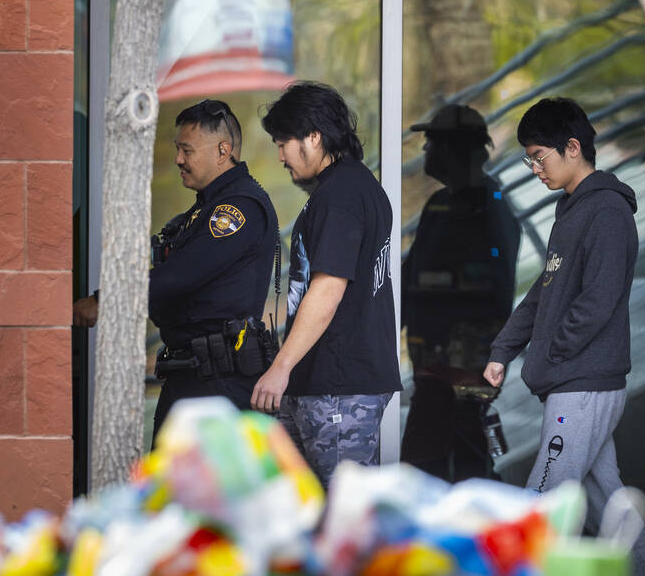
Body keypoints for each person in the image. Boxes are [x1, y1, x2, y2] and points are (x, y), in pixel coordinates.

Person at [482, 97, 645, 576]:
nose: (535, 170)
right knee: (604, 499)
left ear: (573, 148)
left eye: (540, 158)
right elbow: (545, 295)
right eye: (528, 161)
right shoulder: (573, 209)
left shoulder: (607, 212)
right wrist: (503, 350)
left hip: (583, 386)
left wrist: (546, 354)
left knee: (541, 502)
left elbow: (597, 302)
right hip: (572, 382)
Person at [73, 99, 279, 441]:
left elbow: (182, 275)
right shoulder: (205, 208)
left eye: (187, 150)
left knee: (197, 491)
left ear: (223, 150)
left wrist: (105, 300)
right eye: (178, 149)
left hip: (217, 384)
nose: (178, 159)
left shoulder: (238, 208)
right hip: (192, 377)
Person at [250, 81, 402, 488]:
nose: (280, 155)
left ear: (314, 137)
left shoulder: (342, 195)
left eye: (284, 142)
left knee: (342, 519)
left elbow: (328, 287)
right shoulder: (350, 188)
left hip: (338, 384)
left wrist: (281, 366)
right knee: (306, 512)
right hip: (330, 381)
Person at [399, 103, 522, 480]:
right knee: (435, 464)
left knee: (446, 466)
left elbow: (497, 292)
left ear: (453, 150)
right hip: (432, 366)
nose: (425, 153)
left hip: (464, 369)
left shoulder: (490, 207)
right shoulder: (440, 204)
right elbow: (411, 275)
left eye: (431, 144)